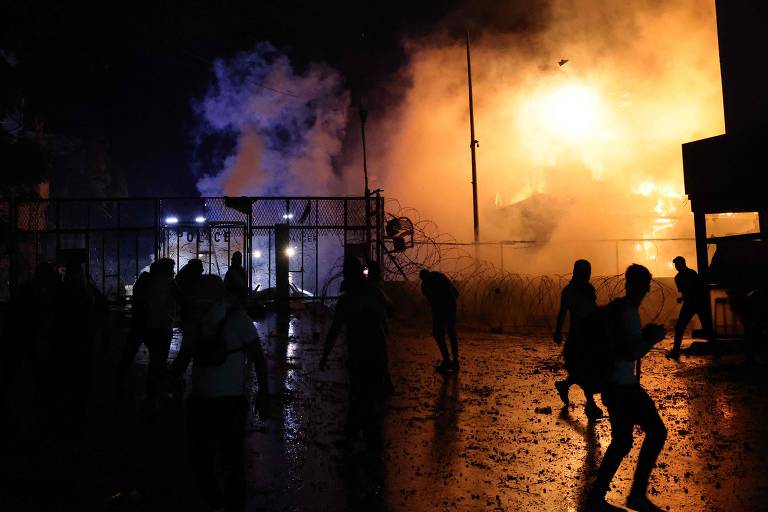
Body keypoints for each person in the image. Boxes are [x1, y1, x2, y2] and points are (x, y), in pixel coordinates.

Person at [587, 264, 668, 512]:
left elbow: (623, 343)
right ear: (645, 287)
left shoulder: (617, 309)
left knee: (621, 442)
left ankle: (597, 498)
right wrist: (652, 339)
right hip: (624, 387)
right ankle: (636, 495)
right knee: (657, 432)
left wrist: (642, 336)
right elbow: (632, 351)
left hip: (613, 386)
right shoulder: (629, 312)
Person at [185, 274, 269, 512]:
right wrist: (263, 395)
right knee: (231, 459)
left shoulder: (194, 321)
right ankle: (234, 503)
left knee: (202, 459)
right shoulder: (238, 319)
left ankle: (211, 500)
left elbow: (184, 358)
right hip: (231, 401)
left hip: (200, 400)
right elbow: (259, 359)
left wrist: (166, 381)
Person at [321, 257, 390, 450]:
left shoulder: (347, 299)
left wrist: (325, 355)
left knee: (358, 396)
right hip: (376, 354)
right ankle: (372, 444)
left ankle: (357, 440)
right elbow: (388, 316)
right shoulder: (375, 293)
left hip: (360, 355)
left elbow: (335, 330)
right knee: (370, 398)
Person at [553, 259, 602, 418]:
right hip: (578, 336)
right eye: (587, 271)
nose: (589, 274)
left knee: (583, 370)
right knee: (586, 369)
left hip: (588, 334)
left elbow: (593, 311)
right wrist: (558, 331)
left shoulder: (585, 288)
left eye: (589, 271)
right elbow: (563, 312)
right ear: (578, 272)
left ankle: (564, 385)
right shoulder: (574, 290)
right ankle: (591, 404)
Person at [167, 259, 205, 396]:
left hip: (188, 316)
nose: (202, 272)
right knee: (188, 350)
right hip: (192, 317)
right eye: (201, 269)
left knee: (189, 350)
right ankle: (172, 377)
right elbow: (188, 298)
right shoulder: (190, 279)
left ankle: (174, 377)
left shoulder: (183, 276)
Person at [667, 256, 713, 360]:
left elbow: (690, 291)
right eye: (676, 265)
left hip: (692, 303)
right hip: (697, 303)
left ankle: (675, 351)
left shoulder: (680, 277)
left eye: (678, 265)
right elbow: (695, 290)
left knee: (681, 327)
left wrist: (682, 298)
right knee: (705, 326)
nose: (677, 267)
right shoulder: (690, 274)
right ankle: (714, 349)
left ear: (683, 264)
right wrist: (684, 298)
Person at [419, 269, 459, 373]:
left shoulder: (426, 285)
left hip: (442, 309)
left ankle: (447, 359)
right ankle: (454, 360)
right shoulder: (439, 276)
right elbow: (455, 292)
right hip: (450, 306)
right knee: (451, 333)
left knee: (438, 333)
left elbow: (431, 300)